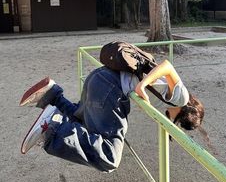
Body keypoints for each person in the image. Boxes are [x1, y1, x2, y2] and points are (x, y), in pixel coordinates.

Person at [19, 49, 204, 173]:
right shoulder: (182, 98)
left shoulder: (170, 98)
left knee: (83, 120)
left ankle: (52, 96)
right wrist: (142, 86)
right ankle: (52, 128)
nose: (172, 123)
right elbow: (167, 66)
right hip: (111, 88)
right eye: (177, 123)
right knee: (110, 156)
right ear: (185, 114)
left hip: (99, 77)